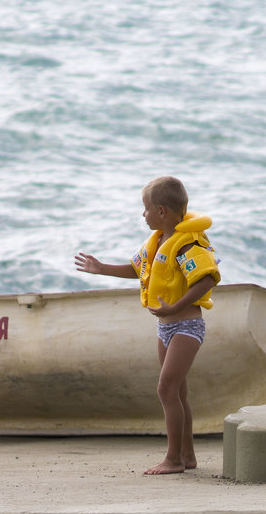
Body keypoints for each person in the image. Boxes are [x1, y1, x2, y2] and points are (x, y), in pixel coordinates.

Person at [74, 176, 220, 475]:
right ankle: (188, 456)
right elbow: (137, 268)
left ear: (162, 211)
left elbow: (207, 277)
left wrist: (176, 307)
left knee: (166, 389)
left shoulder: (186, 244)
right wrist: (101, 269)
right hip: (165, 327)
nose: (144, 214)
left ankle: (174, 459)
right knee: (177, 392)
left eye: (146, 209)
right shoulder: (158, 242)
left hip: (186, 326)